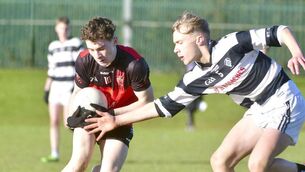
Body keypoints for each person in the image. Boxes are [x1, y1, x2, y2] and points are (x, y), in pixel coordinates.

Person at [84, 11, 305, 172]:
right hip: (259, 111)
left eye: (179, 42)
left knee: (257, 164)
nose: (175, 49)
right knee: (220, 161)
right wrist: (115, 119)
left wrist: (295, 52)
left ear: (199, 39)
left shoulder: (231, 44)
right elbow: (160, 106)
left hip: (283, 100)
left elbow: (279, 31)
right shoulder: (195, 78)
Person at [61, 16, 154, 172]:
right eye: (91, 49)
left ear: (115, 40)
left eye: (101, 48)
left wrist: (111, 114)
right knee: (78, 163)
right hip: (90, 114)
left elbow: (147, 101)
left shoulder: (134, 64)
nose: (97, 55)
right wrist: (70, 114)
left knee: (108, 170)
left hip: (119, 118)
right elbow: (78, 91)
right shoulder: (84, 60)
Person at [41, 16, 83, 163]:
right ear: (56, 29)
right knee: (53, 121)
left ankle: (80, 152)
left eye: (66, 28)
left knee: (68, 123)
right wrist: (47, 90)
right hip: (55, 88)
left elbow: (81, 66)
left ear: (69, 28)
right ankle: (54, 153)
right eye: (61, 28)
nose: (63, 31)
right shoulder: (53, 46)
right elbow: (51, 70)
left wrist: (76, 86)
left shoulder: (75, 43)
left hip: (69, 88)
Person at [184, 62, 207, 131]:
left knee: (190, 111)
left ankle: (190, 125)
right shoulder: (186, 78)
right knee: (190, 111)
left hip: (193, 99)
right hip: (189, 99)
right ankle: (190, 124)